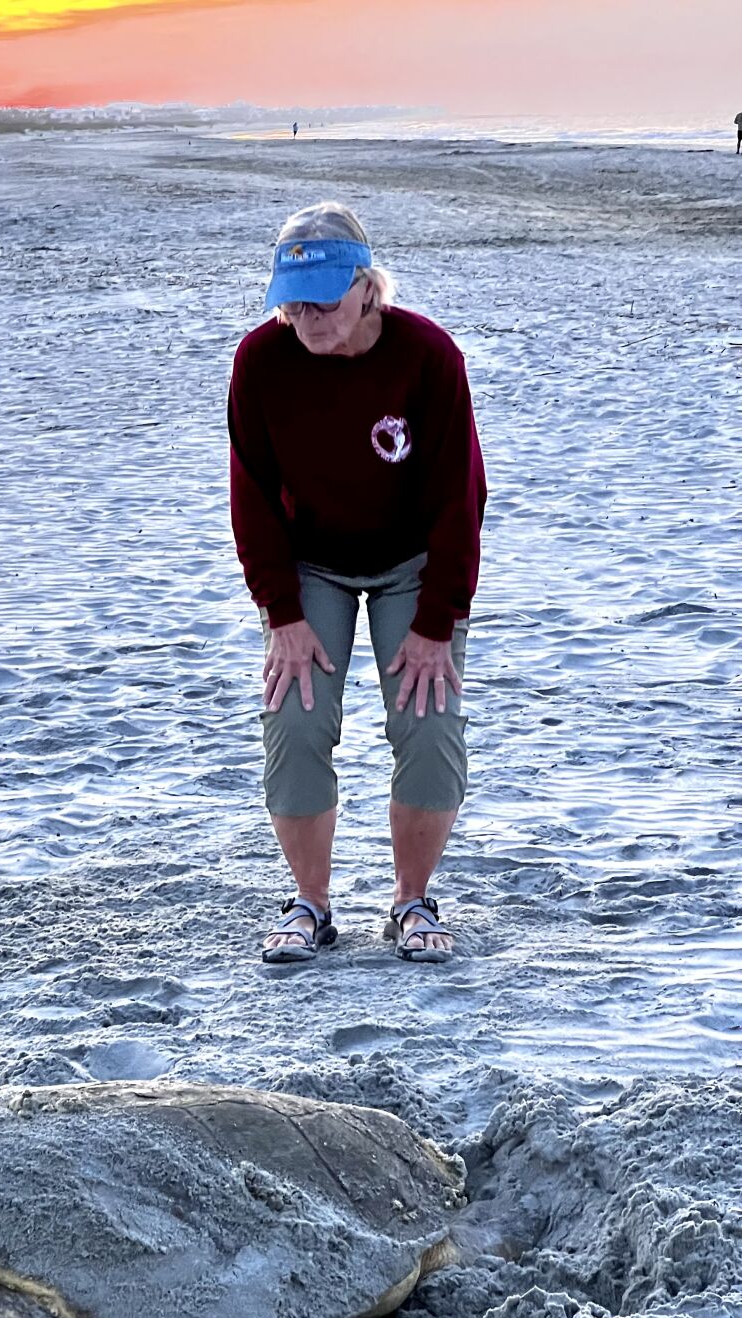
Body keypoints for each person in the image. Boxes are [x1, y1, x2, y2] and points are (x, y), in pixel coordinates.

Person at [228, 202, 486, 966]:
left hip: (414, 562)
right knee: (296, 718)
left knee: (429, 722)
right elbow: (250, 493)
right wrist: (280, 613)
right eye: (291, 300)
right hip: (310, 564)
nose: (305, 317)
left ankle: (412, 900)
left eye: (324, 299)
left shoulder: (426, 355)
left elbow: (459, 495)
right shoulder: (261, 362)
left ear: (368, 289)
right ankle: (309, 901)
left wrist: (437, 622)